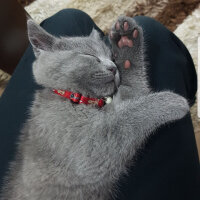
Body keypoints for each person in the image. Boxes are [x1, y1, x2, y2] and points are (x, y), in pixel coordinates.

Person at [0, 9, 199, 200]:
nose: (111, 65)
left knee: (70, 18)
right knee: (152, 33)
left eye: (109, 58)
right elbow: (96, 160)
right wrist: (152, 108)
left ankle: (128, 82)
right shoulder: (52, 117)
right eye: (91, 58)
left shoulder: (53, 104)